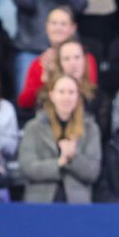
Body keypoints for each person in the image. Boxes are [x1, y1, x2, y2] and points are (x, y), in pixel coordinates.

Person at [19, 73, 102, 203]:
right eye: (61, 92)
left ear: (77, 96)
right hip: (40, 203)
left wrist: (73, 158)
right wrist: (58, 163)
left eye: (71, 92)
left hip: (77, 205)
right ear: (52, 95)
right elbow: (27, 167)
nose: (66, 97)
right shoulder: (34, 127)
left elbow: (93, 172)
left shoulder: (91, 128)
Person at [16, 8, 98, 109]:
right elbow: (25, 103)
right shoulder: (39, 63)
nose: (58, 28)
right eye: (53, 23)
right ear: (46, 27)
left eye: (63, 24)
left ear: (73, 28)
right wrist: (45, 78)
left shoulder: (86, 59)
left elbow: (91, 95)